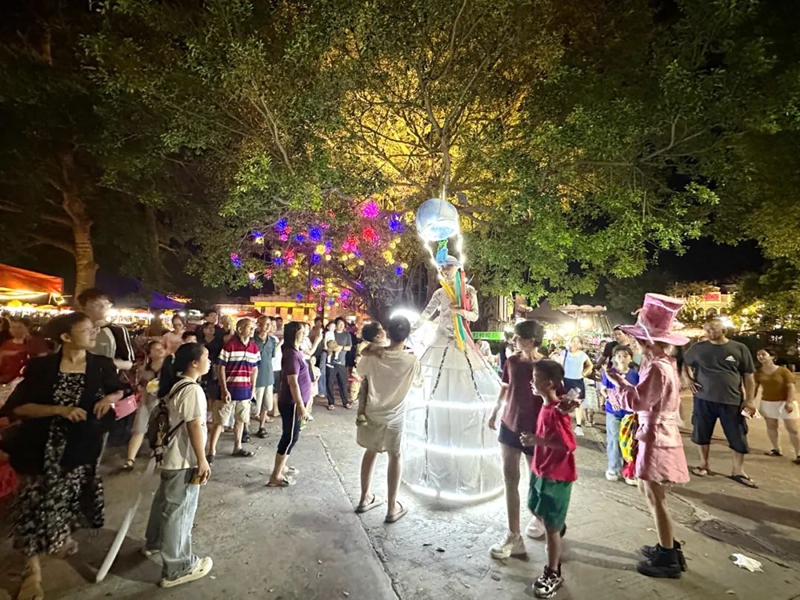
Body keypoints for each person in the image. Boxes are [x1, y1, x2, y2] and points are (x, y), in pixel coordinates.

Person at [1, 313, 127, 600]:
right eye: (87, 330)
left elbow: (120, 390)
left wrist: (110, 398)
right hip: (39, 450)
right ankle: (31, 575)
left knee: (66, 503)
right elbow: (18, 407)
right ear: (66, 337)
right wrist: (59, 410)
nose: (94, 333)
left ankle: (59, 537)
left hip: (79, 449)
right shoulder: (42, 367)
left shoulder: (101, 365)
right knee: (32, 509)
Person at [403, 255, 503, 499]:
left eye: (448, 267)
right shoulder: (440, 292)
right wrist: (408, 331)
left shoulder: (468, 291)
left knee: (462, 384)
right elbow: (427, 313)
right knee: (436, 388)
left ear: (458, 268)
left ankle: (462, 454)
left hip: (460, 341)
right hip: (440, 341)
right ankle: (437, 457)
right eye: (442, 267)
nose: (445, 270)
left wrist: (461, 311)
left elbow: (475, 315)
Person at [606, 293, 691, 578]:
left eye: (638, 339)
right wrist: (621, 382)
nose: (634, 343)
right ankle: (667, 545)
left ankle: (668, 556)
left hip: (656, 434)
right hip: (653, 432)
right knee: (647, 489)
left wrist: (617, 389)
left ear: (649, 341)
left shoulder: (656, 366)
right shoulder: (661, 363)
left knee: (655, 495)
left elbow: (639, 401)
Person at [142, 343, 213, 588]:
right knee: (179, 512)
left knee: (164, 503)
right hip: (183, 459)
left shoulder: (174, 384)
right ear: (194, 363)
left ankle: (154, 542)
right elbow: (194, 426)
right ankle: (178, 567)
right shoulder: (192, 390)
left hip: (169, 456)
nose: (210, 361)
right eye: (206, 357)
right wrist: (202, 459)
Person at [520, 359, 579, 599]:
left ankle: (553, 572)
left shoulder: (557, 412)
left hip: (556, 475)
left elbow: (568, 445)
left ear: (550, 383)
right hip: (540, 469)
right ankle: (556, 527)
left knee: (551, 528)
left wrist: (538, 441)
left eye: (536, 378)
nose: (531, 382)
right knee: (534, 507)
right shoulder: (548, 406)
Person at [488, 320, 547, 560]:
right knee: (510, 478)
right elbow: (505, 387)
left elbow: (554, 398)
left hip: (535, 429)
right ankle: (514, 535)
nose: (513, 340)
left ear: (531, 340)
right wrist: (495, 411)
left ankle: (540, 517)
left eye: (517, 337)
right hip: (509, 424)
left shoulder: (546, 366)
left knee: (536, 478)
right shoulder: (511, 362)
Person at [354, 316, 421, 523]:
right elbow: (419, 383)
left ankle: (365, 498)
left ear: (388, 333)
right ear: (407, 335)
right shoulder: (411, 360)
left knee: (370, 451)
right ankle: (392, 507)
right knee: (395, 456)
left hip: (371, 412)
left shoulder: (374, 356)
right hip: (395, 417)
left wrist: (371, 350)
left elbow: (360, 371)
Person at [684, 318, 757, 487]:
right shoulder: (698, 348)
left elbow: (748, 375)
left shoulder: (739, 348)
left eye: (714, 329)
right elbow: (684, 363)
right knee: (702, 433)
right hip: (703, 399)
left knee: (737, 435)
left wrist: (750, 400)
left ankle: (738, 471)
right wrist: (687, 379)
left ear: (724, 330)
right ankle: (704, 465)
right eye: (707, 330)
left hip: (732, 400)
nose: (710, 333)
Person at [267, 322, 312, 487]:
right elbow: (293, 382)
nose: (305, 334)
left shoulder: (295, 351)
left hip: (295, 402)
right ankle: (276, 475)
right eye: (302, 331)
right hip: (291, 402)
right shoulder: (291, 354)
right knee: (290, 437)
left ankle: (282, 467)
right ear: (294, 333)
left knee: (292, 435)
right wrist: (300, 405)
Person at [207, 318, 260, 461]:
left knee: (240, 420)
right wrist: (224, 389)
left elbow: (255, 369)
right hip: (229, 389)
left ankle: (238, 446)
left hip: (245, 390)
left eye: (253, 328)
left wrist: (253, 388)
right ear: (240, 329)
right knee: (220, 421)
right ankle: (211, 451)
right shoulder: (229, 346)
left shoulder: (254, 348)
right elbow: (221, 367)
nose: (252, 330)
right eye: (249, 327)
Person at [597, 345, 639, 484]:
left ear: (631, 358)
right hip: (613, 412)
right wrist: (610, 398)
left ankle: (629, 471)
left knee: (629, 442)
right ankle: (614, 468)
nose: (622, 359)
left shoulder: (635, 375)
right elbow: (603, 389)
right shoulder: (610, 373)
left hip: (630, 413)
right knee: (614, 439)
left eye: (625, 356)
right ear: (614, 358)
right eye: (619, 356)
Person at [123, 340, 167, 470]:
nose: (160, 351)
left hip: (164, 403)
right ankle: (130, 460)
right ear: (150, 353)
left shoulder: (170, 367)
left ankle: (160, 457)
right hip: (146, 402)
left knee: (162, 430)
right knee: (139, 429)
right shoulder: (144, 369)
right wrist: (144, 387)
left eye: (161, 348)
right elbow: (139, 385)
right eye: (156, 349)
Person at [754, 348, 799, 463]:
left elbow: (791, 386)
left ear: (772, 357)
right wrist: (750, 401)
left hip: (784, 402)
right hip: (768, 402)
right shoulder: (758, 372)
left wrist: (789, 401)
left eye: (763, 354)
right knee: (771, 426)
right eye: (758, 355)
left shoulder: (783, 371)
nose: (760, 357)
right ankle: (776, 449)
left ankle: (798, 453)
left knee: (792, 429)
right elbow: (754, 387)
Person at [76, 288, 135, 371]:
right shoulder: (75, 329)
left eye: (107, 304)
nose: (103, 307)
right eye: (97, 304)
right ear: (83, 307)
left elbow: (128, 362)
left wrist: (100, 364)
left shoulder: (117, 330)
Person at [0, 316, 48, 384]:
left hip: (25, 380)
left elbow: (42, 362)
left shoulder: (36, 342)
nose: (15, 330)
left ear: (27, 328)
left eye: (19, 327)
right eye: (13, 327)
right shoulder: (6, 344)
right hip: (5, 380)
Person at [253, 315, 278, 438]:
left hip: (268, 376)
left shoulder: (272, 340)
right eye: (266, 324)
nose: (269, 327)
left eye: (270, 324)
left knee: (266, 405)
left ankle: (262, 427)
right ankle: (245, 428)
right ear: (259, 324)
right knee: (254, 406)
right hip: (255, 377)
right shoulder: (252, 339)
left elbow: (272, 356)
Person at [561, 336, 592, 436]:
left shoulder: (583, 354)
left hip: (578, 381)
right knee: (565, 404)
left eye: (578, 342)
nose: (575, 343)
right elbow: (560, 365)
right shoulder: (565, 353)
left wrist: (584, 373)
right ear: (569, 342)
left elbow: (590, 365)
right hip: (566, 380)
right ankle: (563, 425)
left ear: (581, 344)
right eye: (573, 341)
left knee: (578, 404)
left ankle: (578, 426)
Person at [325, 317, 353, 410]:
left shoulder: (347, 335)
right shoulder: (331, 334)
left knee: (343, 383)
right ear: (335, 325)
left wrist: (341, 348)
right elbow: (325, 345)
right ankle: (331, 402)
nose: (341, 326)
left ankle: (345, 402)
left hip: (341, 362)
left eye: (343, 324)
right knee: (330, 382)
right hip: (331, 361)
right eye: (339, 324)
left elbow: (349, 347)